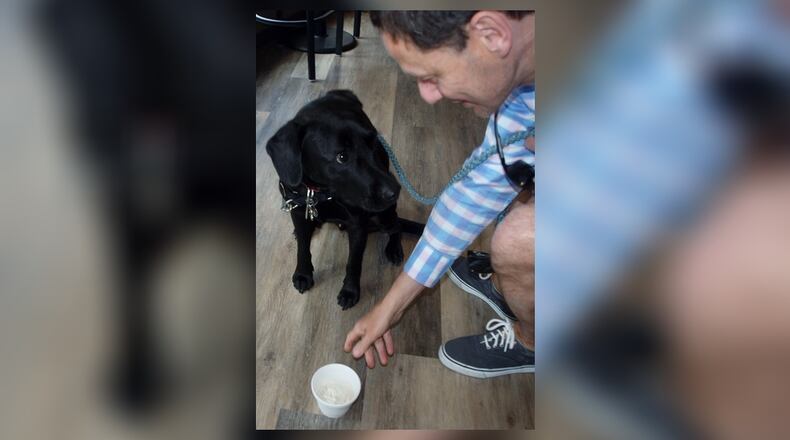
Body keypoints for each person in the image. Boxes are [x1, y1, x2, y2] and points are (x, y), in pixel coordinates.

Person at [343, 10, 536, 378]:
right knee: (515, 183)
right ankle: (510, 286)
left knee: (518, 240)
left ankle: (533, 341)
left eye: (431, 76)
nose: (428, 96)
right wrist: (391, 307)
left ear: (491, 34)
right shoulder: (524, 91)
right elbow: (476, 192)